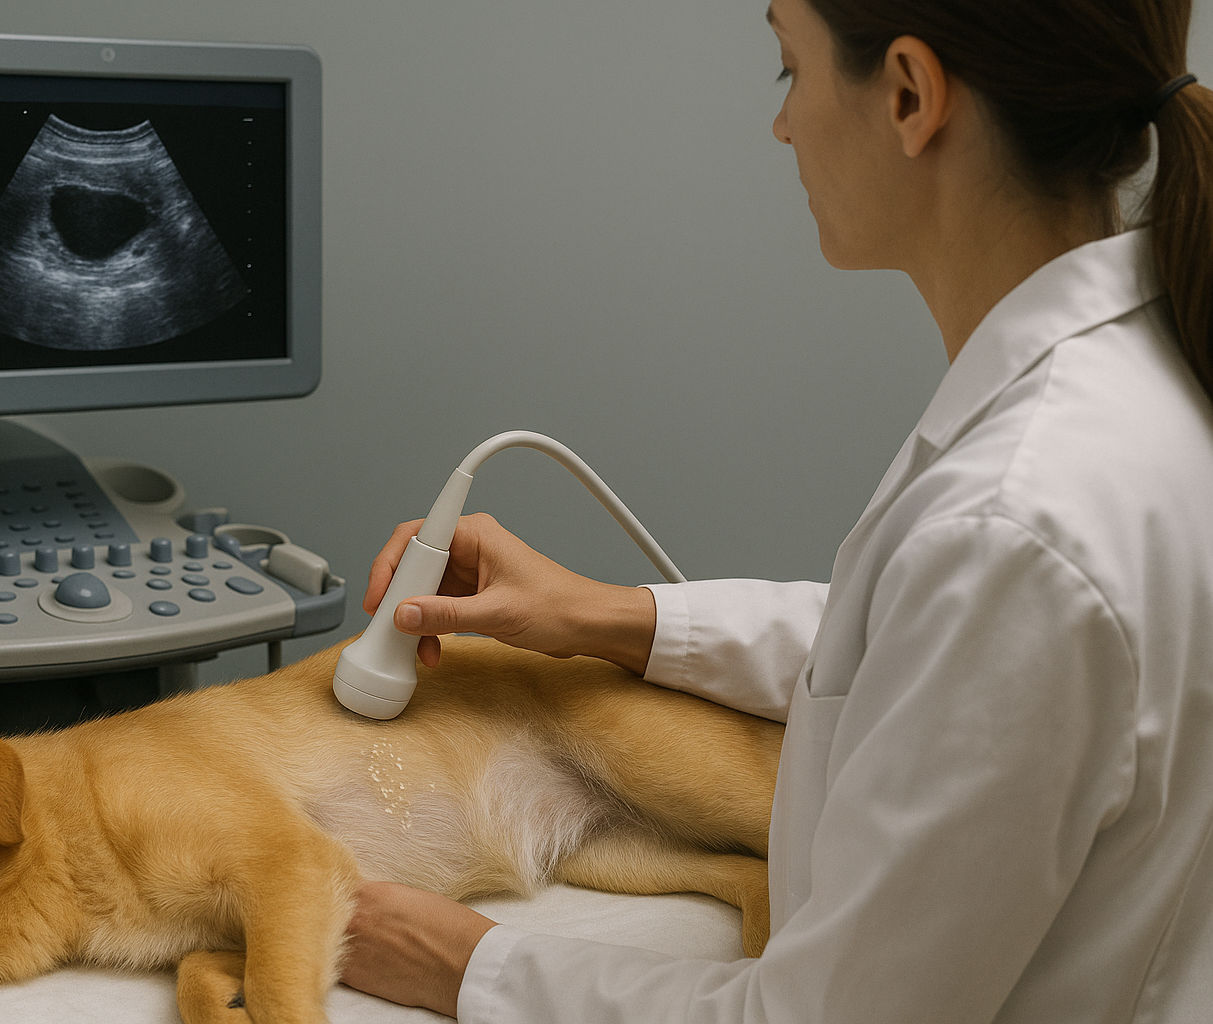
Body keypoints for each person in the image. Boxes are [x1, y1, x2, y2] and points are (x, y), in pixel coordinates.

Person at [338, 0, 1213, 1021]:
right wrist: (611, 617)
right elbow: (938, 657)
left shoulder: (1019, 523)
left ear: (908, 94)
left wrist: (469, 964)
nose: (782, 124)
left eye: (785, 69)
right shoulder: (1139, 384)